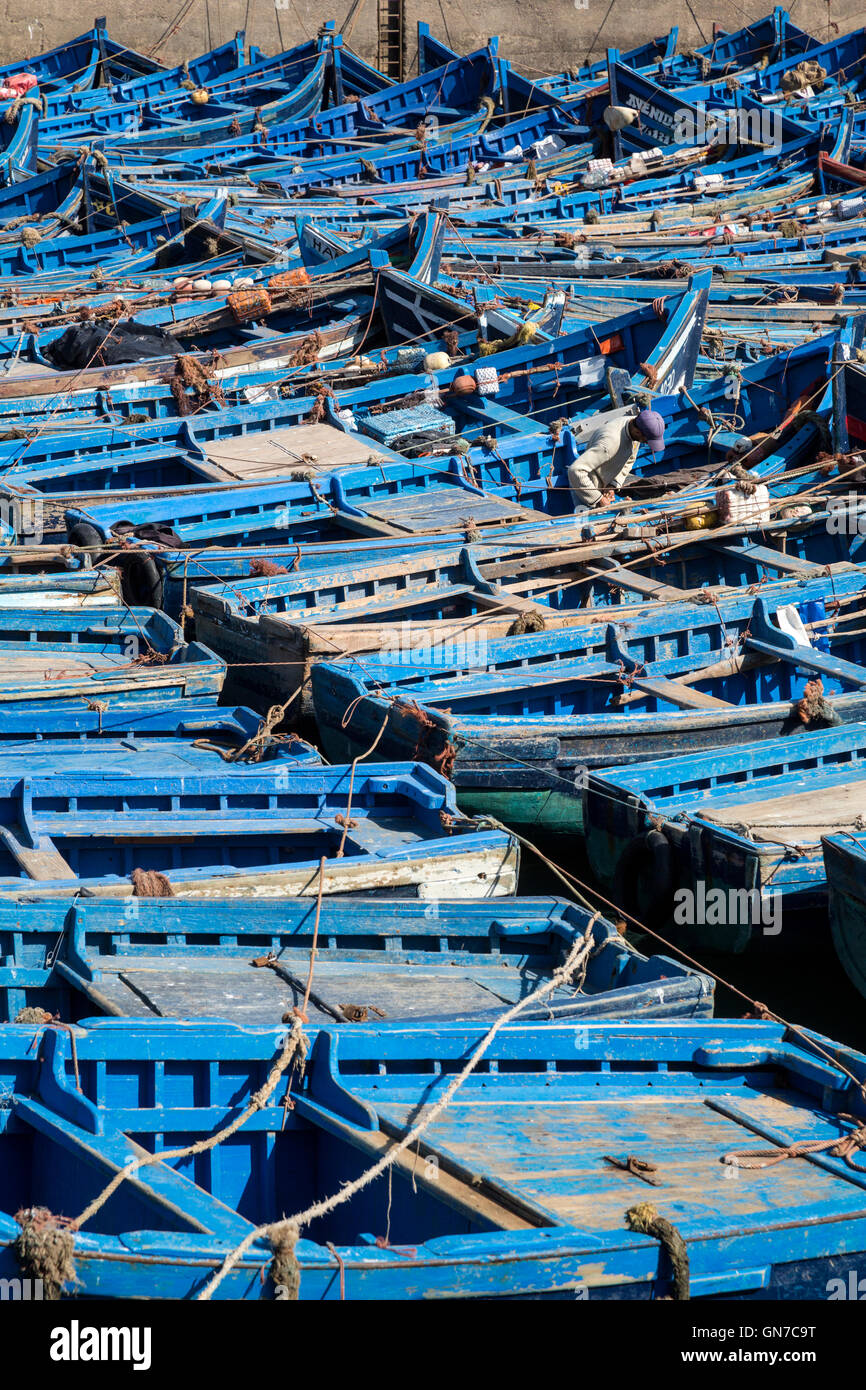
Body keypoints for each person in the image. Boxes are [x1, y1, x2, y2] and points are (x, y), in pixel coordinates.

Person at [568, 408, 666, 508]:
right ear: (637, 432)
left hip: (604, 482)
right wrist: (598, 499)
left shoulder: (635, 423)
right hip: (584, 487)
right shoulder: (610, 443)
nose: (647, 444)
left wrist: (612, 485)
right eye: (647, 440)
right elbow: (576, 471)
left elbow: (629, 460)